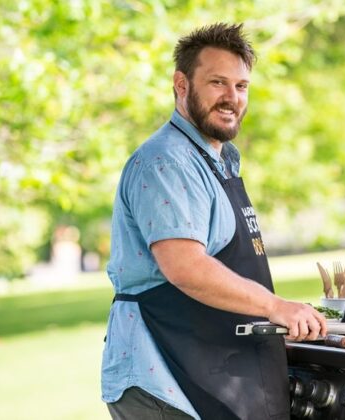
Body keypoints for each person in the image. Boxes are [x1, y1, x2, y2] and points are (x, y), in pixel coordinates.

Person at [101, 23, 328, 420]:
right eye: (217, 83)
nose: (231, 98)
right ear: (181, 84)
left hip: (209, 369)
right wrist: (274, 306)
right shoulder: (166, 161)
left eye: (241, 86)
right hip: (165, 379)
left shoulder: (219, 160)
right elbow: (185, 267)